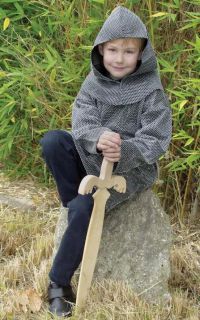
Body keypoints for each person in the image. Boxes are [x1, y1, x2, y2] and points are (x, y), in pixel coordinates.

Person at [40, 6, 172, 317]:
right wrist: (98, 137)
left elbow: (156, 139)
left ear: (141, 53)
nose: (119, 58)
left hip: (127, 173)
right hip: (91, 158)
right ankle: (75, 202)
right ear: (101, 49)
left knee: (85, 207)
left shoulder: (151, 90)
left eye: (129, 51)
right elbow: (82, 121)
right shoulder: (93, 82)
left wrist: (123, 150)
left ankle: (58, 284)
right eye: (113, 49)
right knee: (54, 141)